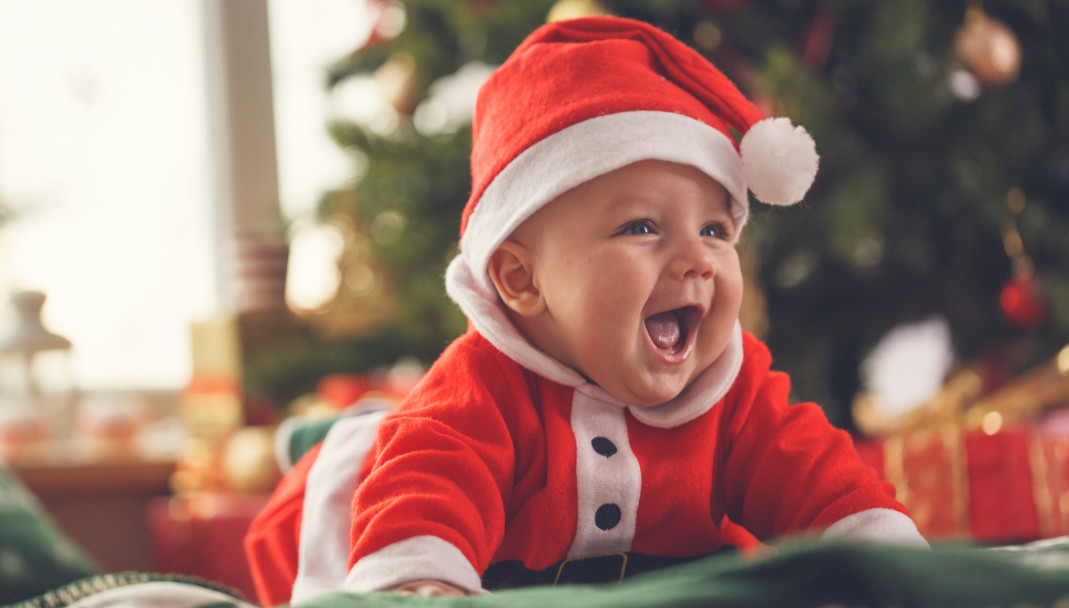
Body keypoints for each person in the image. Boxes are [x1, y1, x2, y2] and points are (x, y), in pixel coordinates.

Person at [245, 15, 928, 605]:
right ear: (522, 280)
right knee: (360, 470)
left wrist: (887, 560)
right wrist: (423, 581)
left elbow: (822, 482)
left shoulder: (731, 388)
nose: (698, 259)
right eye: (642, 227)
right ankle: (327, 441)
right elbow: (427, 489)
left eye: (716, 230)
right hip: (417, 527)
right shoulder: (481, 388)